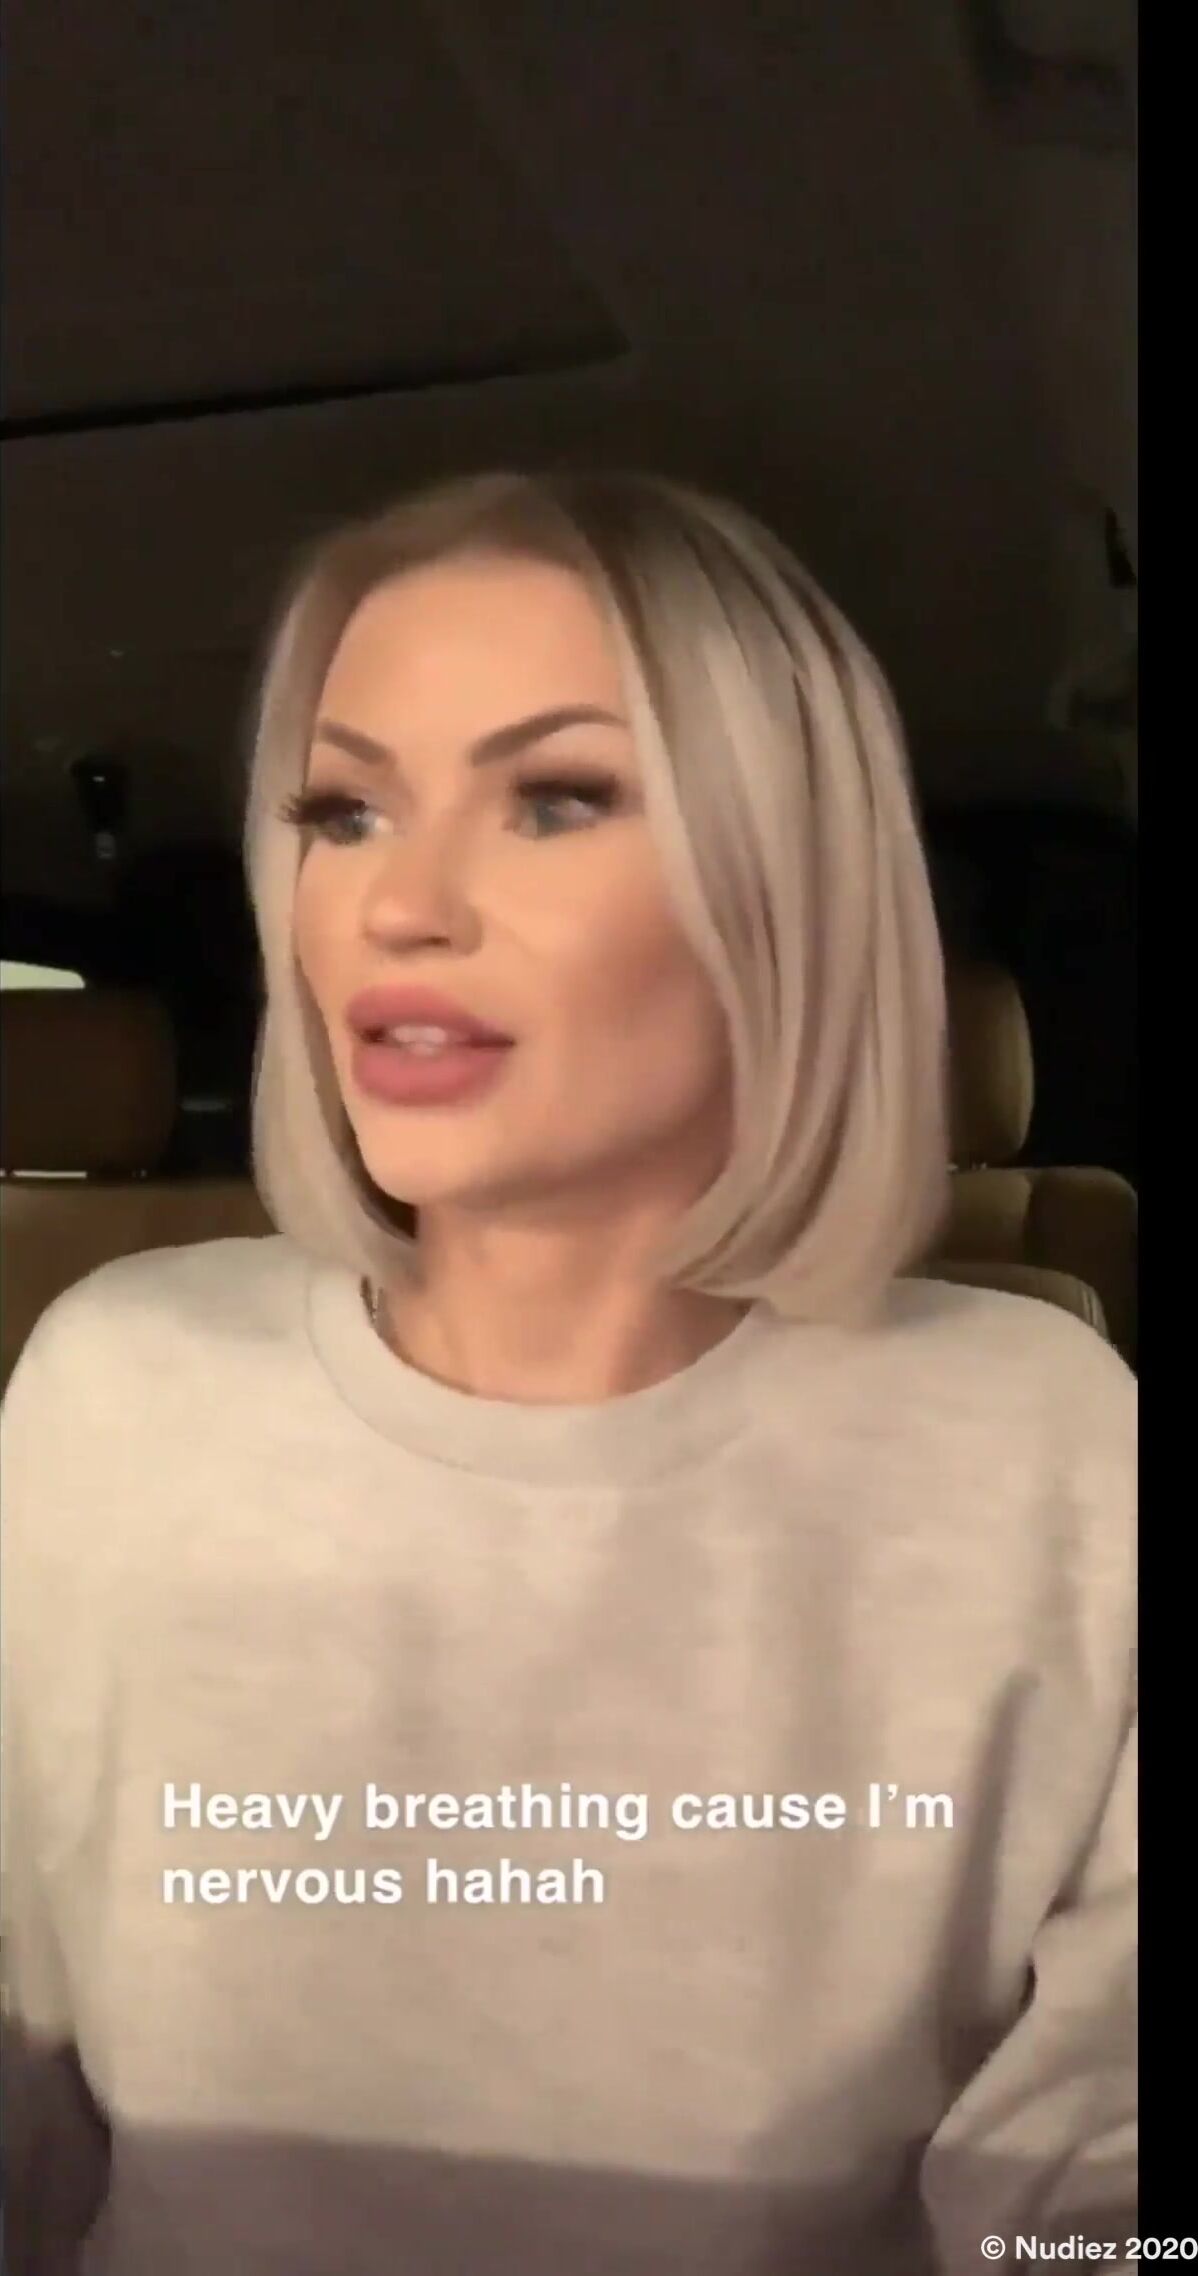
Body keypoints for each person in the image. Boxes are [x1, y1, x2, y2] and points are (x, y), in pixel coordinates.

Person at [1, 470, 1136, 2275]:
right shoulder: (108, 1392)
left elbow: (1098, 2198)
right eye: (345, 809)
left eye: (554, 799)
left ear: (784, 885)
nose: (397, 905)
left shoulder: (1049, 1445)